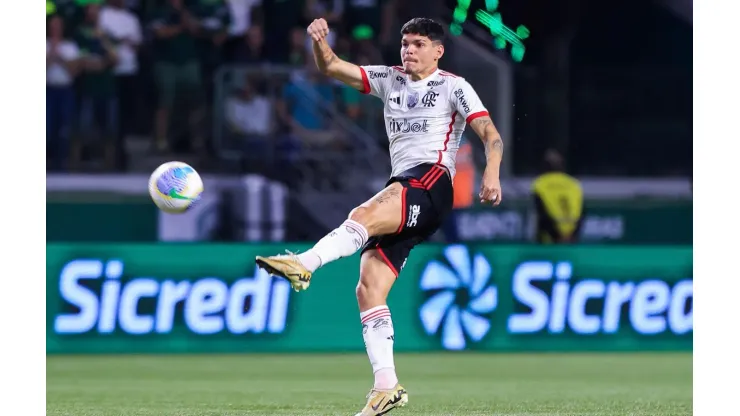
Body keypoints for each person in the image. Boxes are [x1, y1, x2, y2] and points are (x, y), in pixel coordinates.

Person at [255, 17, 504, 416]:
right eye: (405, 43)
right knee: (368, 288)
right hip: (406, 185)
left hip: (432, 181)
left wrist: (491, 174)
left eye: (419, 44)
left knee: (363, 213)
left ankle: (304, 263)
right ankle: (386, 386)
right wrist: (320, 42)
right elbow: (331, 67)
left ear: (438, 51)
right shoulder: (390, 78)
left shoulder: (454, 86)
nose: (408, 50)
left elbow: (491, 134)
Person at [532, 149, 584, 244]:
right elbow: (581, 213)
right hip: (571, 239)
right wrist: (572, 235)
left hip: (549, 239)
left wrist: (557, 236)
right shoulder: (573, 183)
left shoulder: (540, 184)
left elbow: (542, 213)